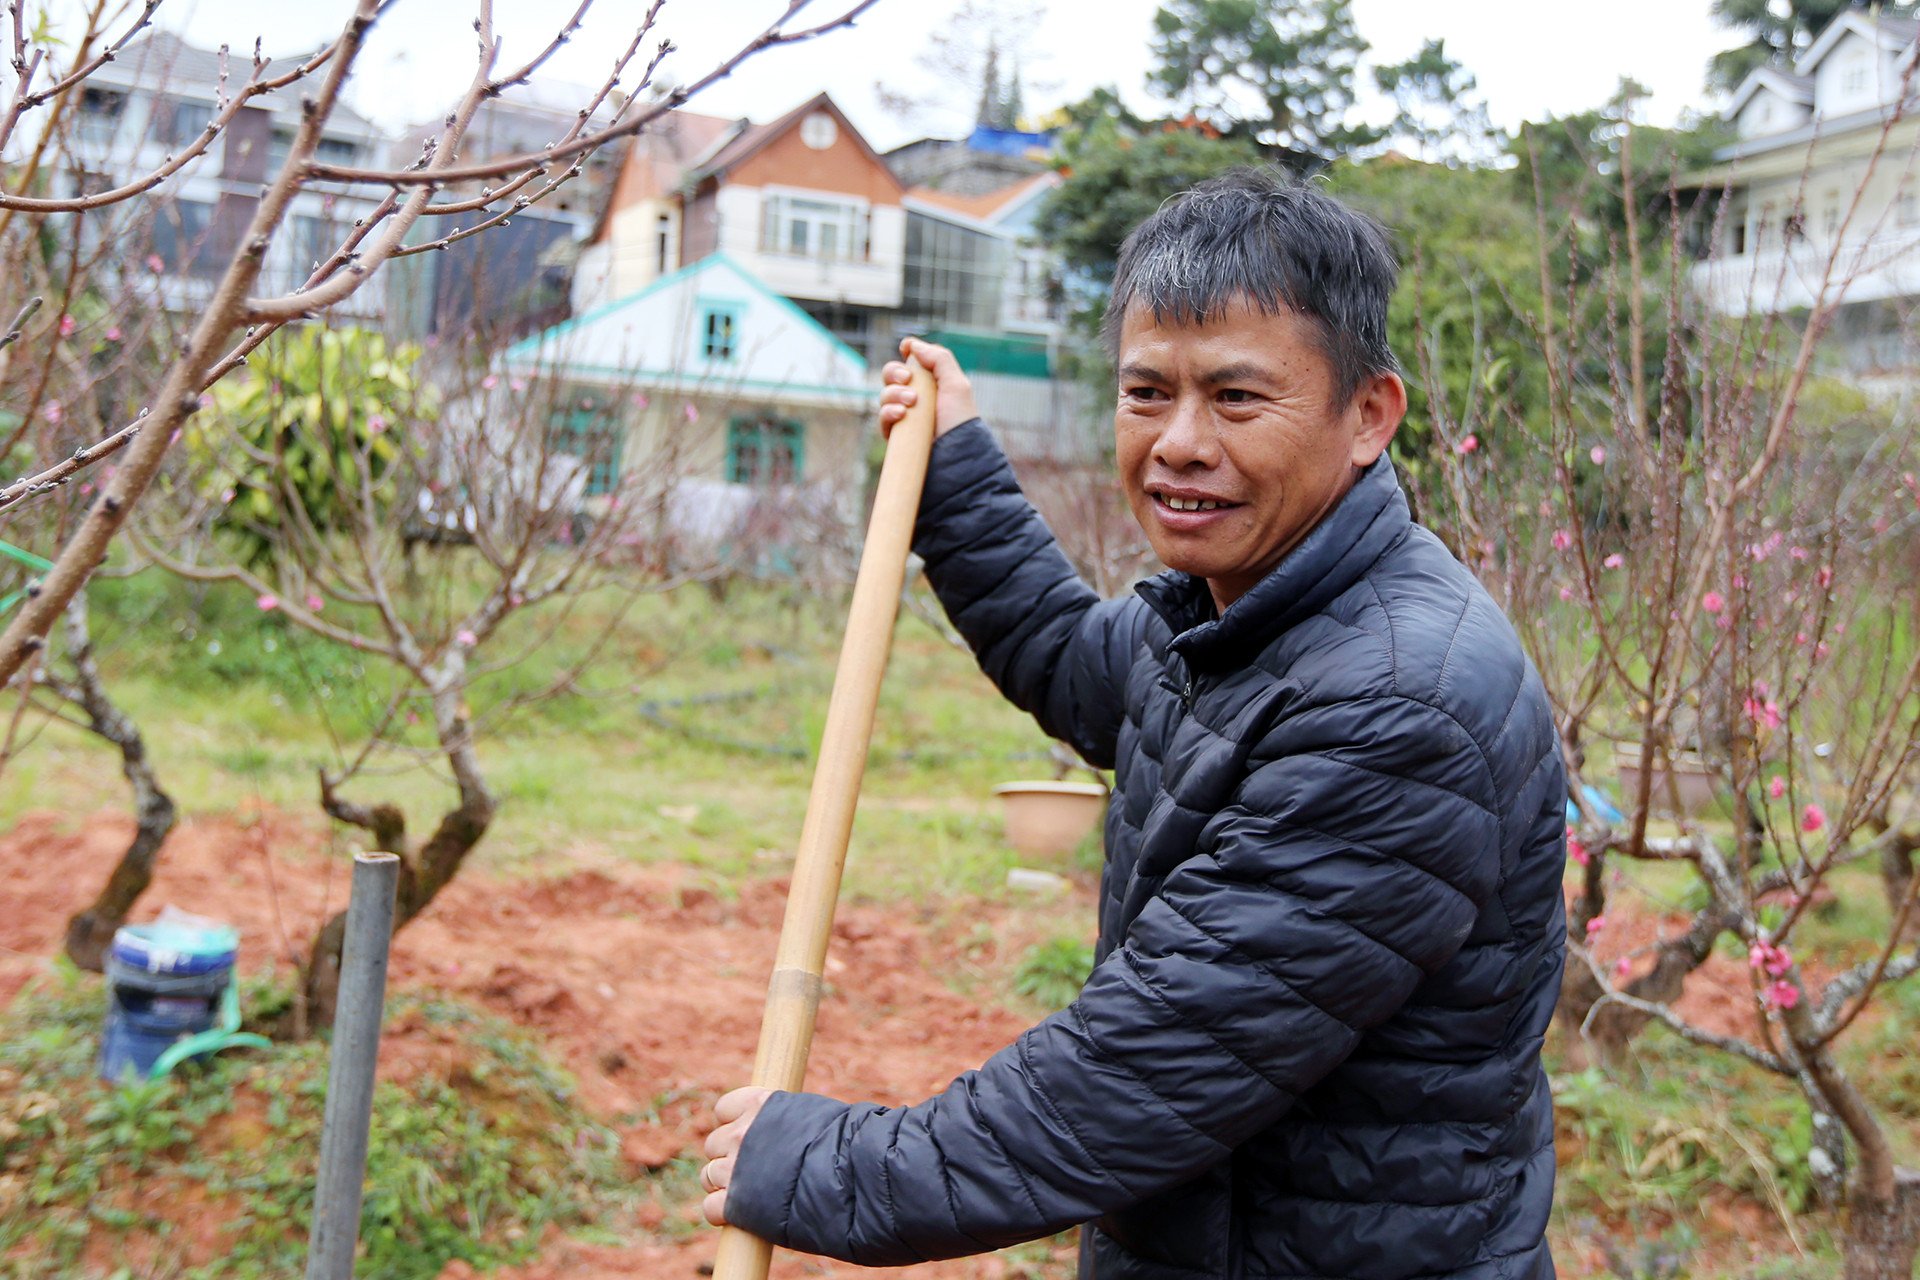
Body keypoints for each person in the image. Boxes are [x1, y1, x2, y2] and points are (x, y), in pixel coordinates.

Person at [700, 169, 1566, 1280]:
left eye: (1237, 399)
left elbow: (1138, 1079)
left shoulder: (1398, 707)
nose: (1178, 443)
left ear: (1369, 416)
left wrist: (828, 1164)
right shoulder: (1243, 610)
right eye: (1146, 391)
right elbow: (1076, 664)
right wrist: (956, 465)